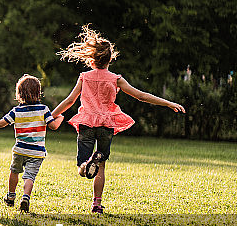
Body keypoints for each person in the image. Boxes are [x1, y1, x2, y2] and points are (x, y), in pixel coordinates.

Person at [52, 25, 185, 213]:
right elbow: (142, 96)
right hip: (106, 125)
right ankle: (97, 204)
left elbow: (70, 100)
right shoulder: (115, 79)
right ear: (110, 58)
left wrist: (51, 115)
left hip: (87, 123)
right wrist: (168, 103)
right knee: (101, 165)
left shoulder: (85, 77)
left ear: (92, 59)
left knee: (83, 165)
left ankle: (86, 165)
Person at [0, 75, 64, 212]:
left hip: (20, 150)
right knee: (29, 176)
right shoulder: (44, 109)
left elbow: (1, 123)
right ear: (38, 92)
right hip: (37, 152)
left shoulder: (17, 111)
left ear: (19, 94)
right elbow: (53, 126)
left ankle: (11, 196)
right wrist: (60, 118)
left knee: (14, 171)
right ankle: (25, 197)